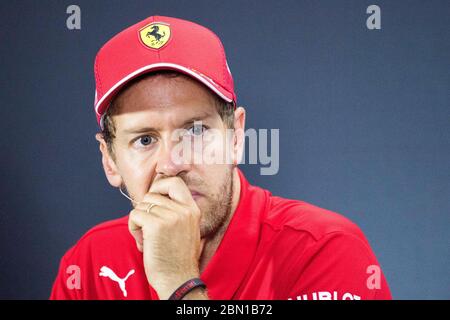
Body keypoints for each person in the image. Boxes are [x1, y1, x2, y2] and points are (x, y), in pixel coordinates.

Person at [50, 15, 391, 300]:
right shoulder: (90, 264)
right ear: (110, 160)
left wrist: (178, 282)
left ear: (236, 137)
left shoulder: (324, 251)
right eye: (144, 139)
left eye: (195, 131)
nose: (172, 163)